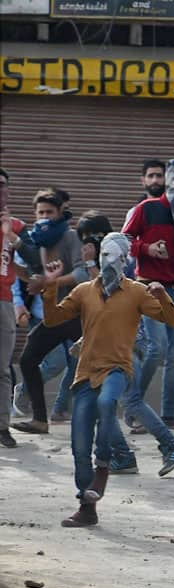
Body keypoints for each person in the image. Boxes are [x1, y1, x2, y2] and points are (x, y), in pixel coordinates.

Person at [41, 233, 174, 527]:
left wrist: (162, 295)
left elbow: (171, 320)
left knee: (109, 402)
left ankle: (104, 465)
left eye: (113, 256)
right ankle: (87, 508)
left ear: (124, 260)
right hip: (85, 374)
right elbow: (53, 319)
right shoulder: (84, 291)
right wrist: (50, 287)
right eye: (103, 256)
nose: (107, 261)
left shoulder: (136, 292)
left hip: (118, 369)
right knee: (79, 447)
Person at [123, 159, 174, 429]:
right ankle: (133, 407)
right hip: (151, 288)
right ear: (167, 181)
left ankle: (168, 414)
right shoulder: (146, 209)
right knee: (155, 349)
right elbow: (124, 241)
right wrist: (148, 249)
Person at [11, 189, 89, 436]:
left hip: (78, 312)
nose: (45, 217)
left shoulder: (70, 237)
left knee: (91, 367)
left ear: (59, 214)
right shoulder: (40, 242)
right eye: (40, 212)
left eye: (49, 212)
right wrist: (12, 266)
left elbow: (82, 274)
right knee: (28, 360)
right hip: (55, 313)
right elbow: (33, 275)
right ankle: (40, 420)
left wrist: (49, 282)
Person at [0, 167, 42, 448]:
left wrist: (11, 237)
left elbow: (34, 259)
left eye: (3, 185)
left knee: (2, 368)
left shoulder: (16, 225)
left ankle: (2, 426)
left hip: (3, 300)